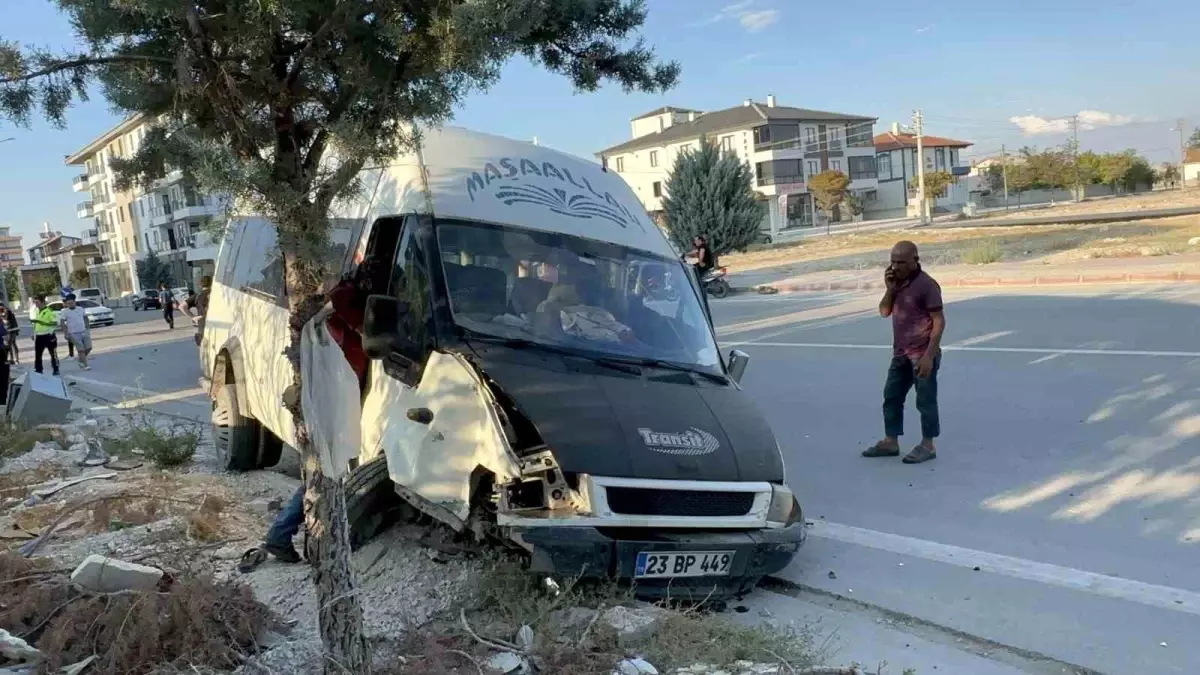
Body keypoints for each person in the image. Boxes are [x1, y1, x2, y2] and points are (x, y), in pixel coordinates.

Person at [862, 241, 945, 464]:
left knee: (925, 400)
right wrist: (890, 289)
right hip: (901, 353)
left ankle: (928, 445)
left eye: (901, 262)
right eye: (893, 262)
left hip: (922, 353)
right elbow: (884, 311)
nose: (896, 267)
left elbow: (939, 322)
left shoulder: (927, 285)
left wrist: (929, 356)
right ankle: (891, 441)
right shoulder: (896, 284)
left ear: (915, 261)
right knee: (891, 396)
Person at [57, 294, 93, 370]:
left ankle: (80, 359)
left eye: (71, 303)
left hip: (83, 331)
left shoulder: (80, 309)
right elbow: (62, 322)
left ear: (74, 302)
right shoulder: (65, 312)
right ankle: (85, 365)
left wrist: (87, 328)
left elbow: (85, 318)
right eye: (68, 303)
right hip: (73, 333)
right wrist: (66, 333)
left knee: (89, 347)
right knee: (81, 350)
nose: (70, 305)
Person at [29, 297, 60, 376]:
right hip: (39, 336)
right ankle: (38, 369)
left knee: (53, 353)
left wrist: (41, 322)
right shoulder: (36, 311)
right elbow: (35, 324)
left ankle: (56, 369)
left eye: (37, 302)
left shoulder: (49, 311)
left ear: (43, 302)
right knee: (38, 354)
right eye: (35, 302)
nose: (36, 304)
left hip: (49, 335)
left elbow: (55, 323)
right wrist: (33, 333)